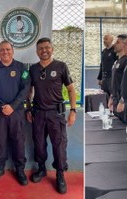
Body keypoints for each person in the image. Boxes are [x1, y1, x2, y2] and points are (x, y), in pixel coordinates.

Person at [26, 37, 76, 194]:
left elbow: (71, 89)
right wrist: (28, 108)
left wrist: (73, 111)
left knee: (59, 146)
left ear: (52, 49)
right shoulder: (33, 69)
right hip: (38, 113)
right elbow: (29, 91)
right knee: (39, 144)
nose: (44, 51)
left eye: (47, 47)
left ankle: (60, 174)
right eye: (40, 48)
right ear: (36, 51)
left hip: (56, 114)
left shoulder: (61, 66)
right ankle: (41, 169)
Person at [0, 40, 30, 186]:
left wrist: (13, 106)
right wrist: (1, 105)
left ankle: (20, 169)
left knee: (18, 141)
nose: (5, 52)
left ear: (13, 51)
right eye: (2, 50)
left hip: (16, 112)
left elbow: (25, 90)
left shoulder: (21, 68)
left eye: (7, 49)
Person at [108, 34, 127, 122]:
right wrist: (112, 96)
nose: (114, 44)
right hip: (116, 98)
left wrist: (122, 100)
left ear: (124, 45)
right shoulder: (117, 61)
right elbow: (115, 81)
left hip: (122, 100)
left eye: (118, 42)